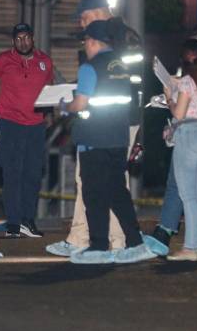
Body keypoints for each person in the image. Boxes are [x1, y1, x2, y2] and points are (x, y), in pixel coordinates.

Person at [61, 20, 165, 264]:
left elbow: (82, 103)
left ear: (95, 41)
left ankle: (98, 247)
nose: (84, 45)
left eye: (85, 41)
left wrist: (65, 107)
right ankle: (135, 243)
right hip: (118, 139)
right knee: (118, 193)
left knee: (93, 194)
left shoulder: (90, 67)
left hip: (94, 139)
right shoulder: (120, 66)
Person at [46, 0, 142, 257]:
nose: (81, 23)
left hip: (115, 122)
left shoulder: (121, 38)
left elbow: (128, 82)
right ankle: (84, 237)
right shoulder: (113, 36)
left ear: (99, 12)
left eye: (84, 17)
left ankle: (117, 241)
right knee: (90, 181)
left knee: (108, 183)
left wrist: (74, 102)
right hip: (105, 121)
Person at [0, 22, 54, 238]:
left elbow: (48, 89)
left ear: (33, 38)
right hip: (10, 124)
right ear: (13, 41)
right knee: (12, 173)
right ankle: (13, 223)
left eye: (26, 37)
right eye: (18, 38)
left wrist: (49, 114)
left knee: (32, 175)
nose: (23, 42)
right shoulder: (4, 59)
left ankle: (27, 221)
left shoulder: (45, 62)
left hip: (35, 126)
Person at [163, 40, 197, 261]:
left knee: (188, 195)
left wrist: (169, 97)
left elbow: (178, 114)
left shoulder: (187, 82)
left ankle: (190, 247)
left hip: (187, 134)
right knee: (195, 196)